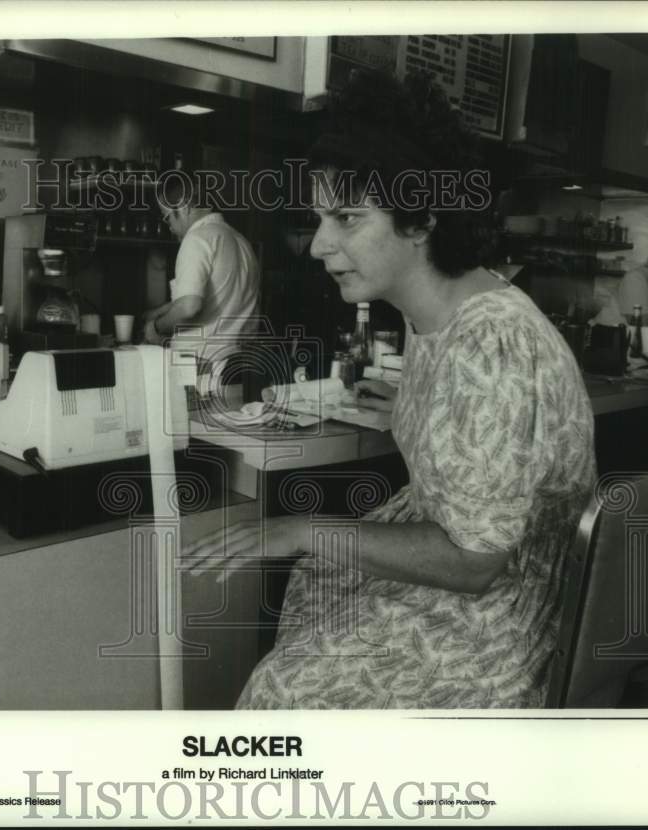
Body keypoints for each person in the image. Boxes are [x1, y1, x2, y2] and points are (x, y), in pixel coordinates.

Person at [182, 68, 597, 709]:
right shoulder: (438, 315)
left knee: (283, 692)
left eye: (347, 217)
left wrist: (303, 528)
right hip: (483, 579)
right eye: (321, 217)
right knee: (316, 584)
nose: (321, 244)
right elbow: (488, 444)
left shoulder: (491, 344)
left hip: (502, 619)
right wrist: (415, 407)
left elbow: (474, 561)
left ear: (422, 217)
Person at [142, 172, 261, 379]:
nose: (169, 227)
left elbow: (190, 306)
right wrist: (162, 311)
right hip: (237, 366)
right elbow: (216, 295)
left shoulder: (196, 239)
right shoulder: (241, 241)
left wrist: (155, 327)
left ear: (184, 207)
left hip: (199, 366)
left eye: (168, 218)